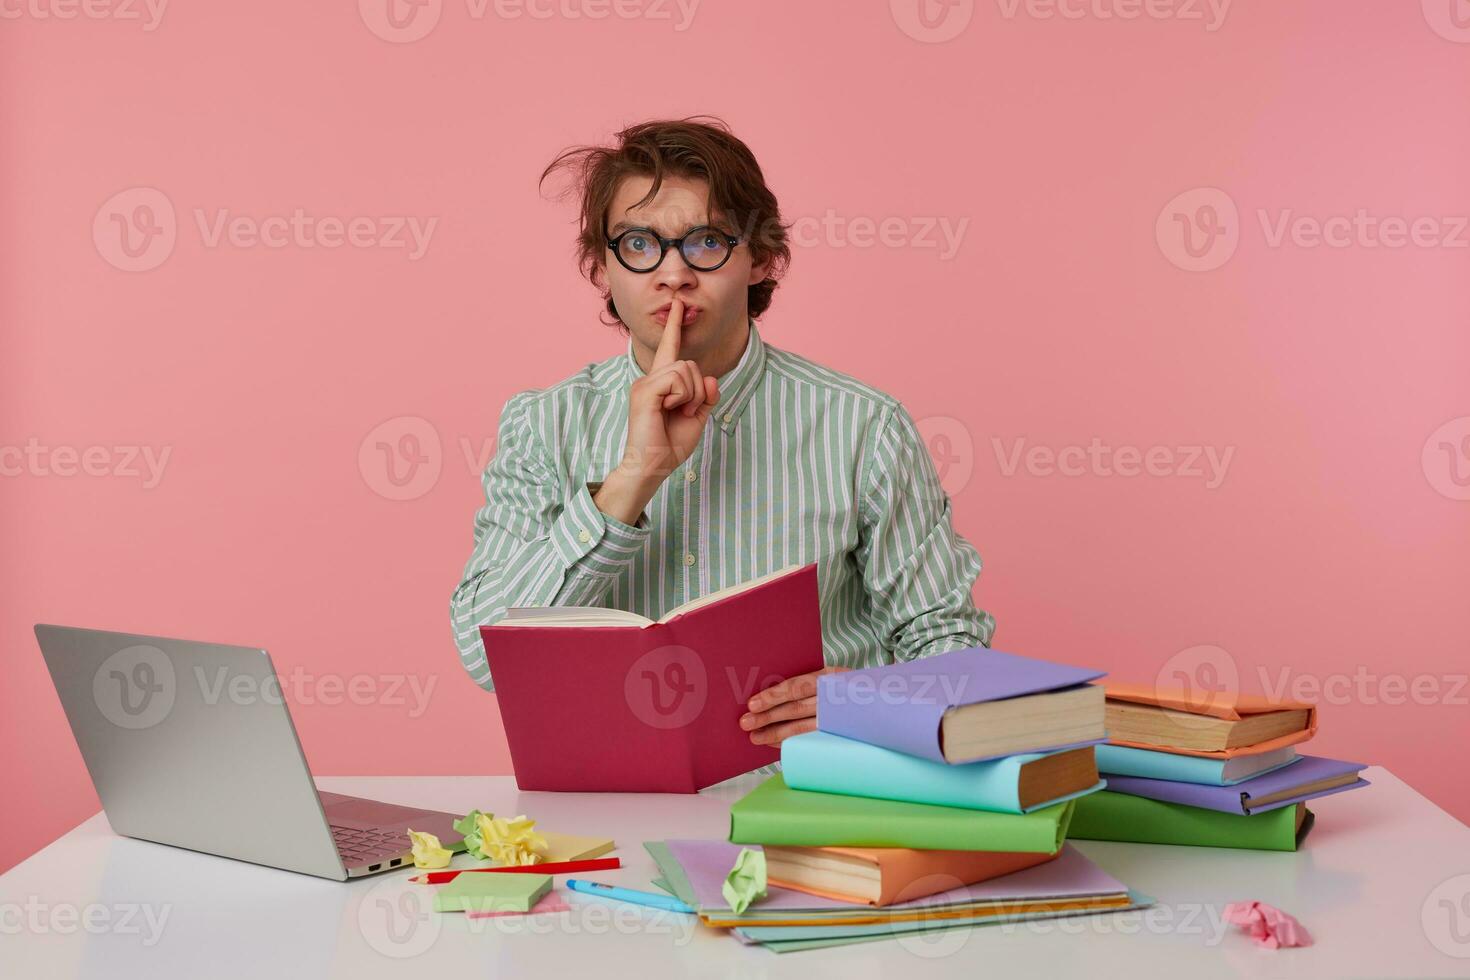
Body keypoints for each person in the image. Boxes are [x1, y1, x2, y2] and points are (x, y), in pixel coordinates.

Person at [450, 116, 994, 755]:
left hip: (809, 798)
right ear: (601, 268)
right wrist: (631, 480)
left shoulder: (863, 427)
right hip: (600, 801)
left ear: (761, 257)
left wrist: (870, 704)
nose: (674, 274)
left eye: (705, 242)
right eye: (638, 244)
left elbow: (950, 642)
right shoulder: (544, 424)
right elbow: (488, 660)